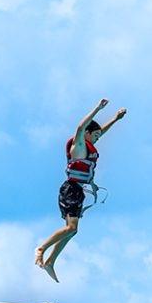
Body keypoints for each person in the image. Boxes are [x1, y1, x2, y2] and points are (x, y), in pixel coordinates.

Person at [34, 98, 127, 282]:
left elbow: (101, 132)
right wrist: (98, 109)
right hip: (70, 190)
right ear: (87, 134)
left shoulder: (88, 145)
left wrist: (115, 119)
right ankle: (41, 249)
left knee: (72, 230)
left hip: (78, 191)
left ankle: (50, 262)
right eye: (95, 135)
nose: (98, 138)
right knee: (71, 227)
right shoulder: (78, 145)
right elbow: (80, 128)